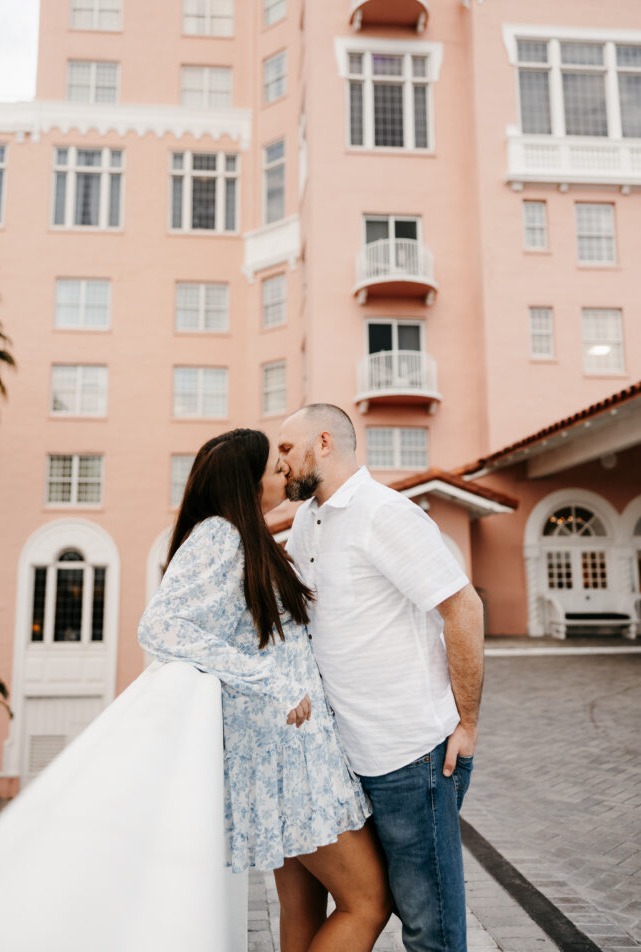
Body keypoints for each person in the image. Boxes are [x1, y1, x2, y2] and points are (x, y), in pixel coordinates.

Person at [138, 428, 392, 952]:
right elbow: (160, 626)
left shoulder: (246, 536)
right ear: (246, 481)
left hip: (291, 751)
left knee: (305, 910)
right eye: (270, 463)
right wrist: (270, 680)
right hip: (287, 756)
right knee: (368, 902)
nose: (282, 468)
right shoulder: (220, 536)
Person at [278, 405, 485, 952]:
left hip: (411, 756)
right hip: (346, 756)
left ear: (323, 443)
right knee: (377, 901)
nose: (279, 464)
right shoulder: (306, 520)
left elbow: (462, 608)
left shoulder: (384, 513)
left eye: (285, 450)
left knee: (429, 926)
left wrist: (467, 723)